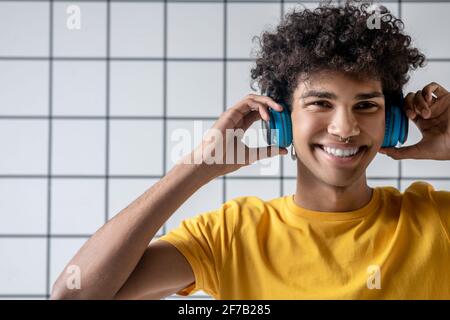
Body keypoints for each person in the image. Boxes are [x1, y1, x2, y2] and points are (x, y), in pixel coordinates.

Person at [50, 0, 450, 299]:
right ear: (280, 120)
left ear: (393, 123)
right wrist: (195, 168)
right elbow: (73, 295)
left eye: (366, 106)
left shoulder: (436, 219)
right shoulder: (230, 234)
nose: (344, 128)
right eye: (319, 104)